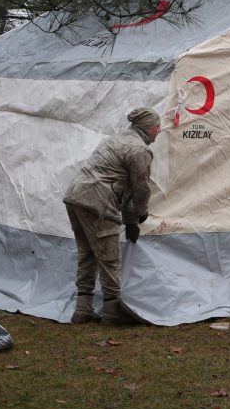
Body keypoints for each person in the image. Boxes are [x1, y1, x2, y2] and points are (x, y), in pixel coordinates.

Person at [63, 107, 161, 325]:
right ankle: (112, 312)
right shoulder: (139, 150)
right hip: (98, 201)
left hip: (76, 197)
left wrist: (130, 221)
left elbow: (123, 188)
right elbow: (140, 189)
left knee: (87, 254)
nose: (160, 131)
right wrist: (141, 213)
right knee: (109, 257)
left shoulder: (115, 140)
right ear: (148, 128)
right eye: (157, 126)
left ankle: (82, 309)